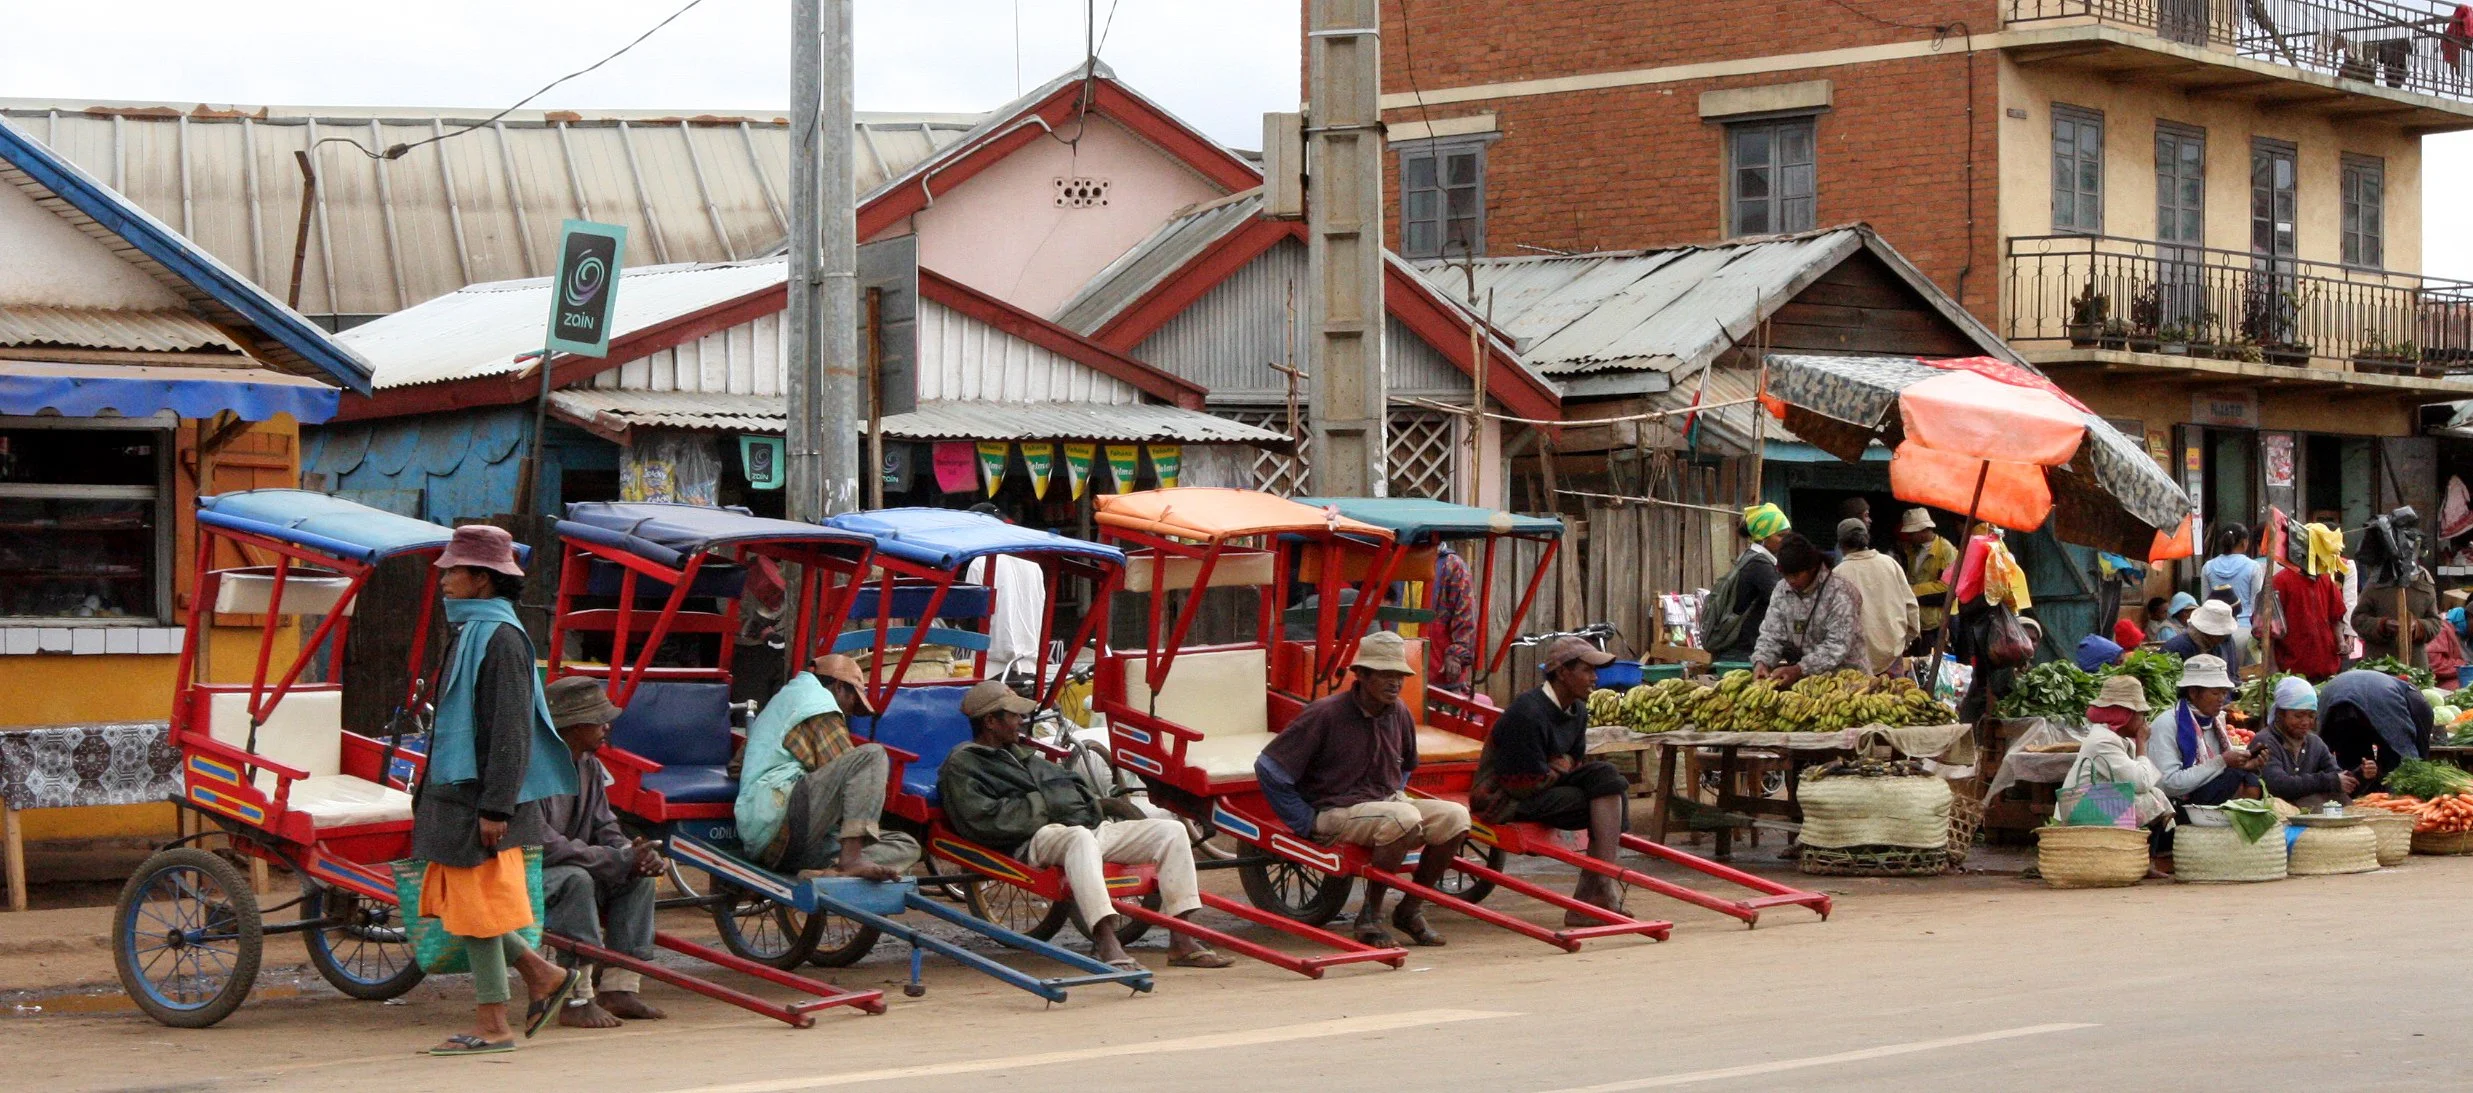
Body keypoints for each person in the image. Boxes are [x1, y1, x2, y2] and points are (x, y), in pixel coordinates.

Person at [411, 525, 583, 1056]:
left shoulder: (502, 640)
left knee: (476, 912)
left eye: (453, 570)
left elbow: (512, 731)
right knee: (464, 907)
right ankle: (544, 976)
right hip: (457, 796)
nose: (443, 578)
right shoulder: (470, 633)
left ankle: (493, 1023)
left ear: (482, 580)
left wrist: (496, 807)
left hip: (480, 801)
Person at [939, 680, 1232, 970]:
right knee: (1080, 838)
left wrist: (1086, 804)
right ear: (990, 721)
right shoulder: (963, 765)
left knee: (1171, 831)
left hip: (1082, 829)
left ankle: (1181, 941)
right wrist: (1045, 804)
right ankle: (1105, 939)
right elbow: (983, 819)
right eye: (1013, 715)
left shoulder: (1021, 754)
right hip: (1035, 838)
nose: (1020, 721)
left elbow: (1069, 788)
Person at [1257, 631, 1472, 948]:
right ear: (1362, 675)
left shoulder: (1399, 713)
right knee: (1402, 819)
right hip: (1336, 810)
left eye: (1399, 676)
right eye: (1386, 675)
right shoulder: (1325, 713)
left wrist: (1394, 793)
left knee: (1456, 818)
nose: (1395, 683)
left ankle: (1410, 909)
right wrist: (1303, 820)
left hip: (1387, 804)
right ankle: (1370, 916)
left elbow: (1408, 763)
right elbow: (1268, 767)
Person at [1470, 636, 1629, 919]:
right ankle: (1596, 892)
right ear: (1563, 673)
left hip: (1543, 787)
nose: (1595, 678)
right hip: (1506, 798)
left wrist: (1558, 765)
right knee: (1600, 800)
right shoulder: (1528, 712)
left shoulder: (1578, 710)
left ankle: (1593, 892)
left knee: (1608, 780)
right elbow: (1521, 785)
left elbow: (1575, 758)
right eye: (1587, 670)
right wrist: (1558, 767)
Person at [538, 677, 666, 1028]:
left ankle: (620, 989)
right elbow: (545, 844)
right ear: (575, 726)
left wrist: (631, 853)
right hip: (527, 871)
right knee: (576, 880)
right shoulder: (531, 770)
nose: (607, 726)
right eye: (600, 720)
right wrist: (615, 859)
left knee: (637, 880)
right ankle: (576, 999)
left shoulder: (590, 766)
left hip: (571, 865)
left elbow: (605, 825)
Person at [735, 654, 922, 881]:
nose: (851, 710)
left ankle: (832, 871)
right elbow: (849, 786)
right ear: (840, 687)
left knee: (907, 845)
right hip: (781, 822)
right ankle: (850, 860)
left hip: (766, 839)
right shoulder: (820, 705)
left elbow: (736, 767)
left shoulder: (782, 702)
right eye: (853, 699)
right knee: (872, 756)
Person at [2058, 675, 2173, 874]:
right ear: (2126, 715)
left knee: (2156, 795)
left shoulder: (2115, 737)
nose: (2144, 722)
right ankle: (2145, 861)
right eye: (2140, 715)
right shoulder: (2104, 741)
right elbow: (2141, 782)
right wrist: (2142, 744)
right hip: (2081, 807)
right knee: (2151, 798)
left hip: (2099, 801)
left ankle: (2146, 861)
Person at [2144, 654, 2263, 809]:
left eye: (2224, 693)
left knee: (2250, 780)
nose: (2222, 699)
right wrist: (2222, 762)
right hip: (2177, 805)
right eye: (2215, 693)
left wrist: (2245, 764)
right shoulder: (2167, 724)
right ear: (2193, 692)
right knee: (2235, 777)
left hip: (2207, 796)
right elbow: (2167, 784)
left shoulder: (2215, 722)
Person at [1751, 533, 1865, 684]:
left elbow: (1837, 645)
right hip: (1805, 685)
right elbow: (1772, 633)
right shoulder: (1782, 590)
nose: (1790, 581)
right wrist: (1762, 661)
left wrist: (1799, 669)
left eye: (1796, 575)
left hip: (1847, 682)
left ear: (1811, 568)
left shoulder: (1841, 592)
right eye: (1785, 575)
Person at [2255, 677, 2368, 812]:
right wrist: (2329, 781)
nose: (2305, 722)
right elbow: (2278, 785)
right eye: (2298, 716)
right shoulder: (2265, 741)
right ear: (2280, 714)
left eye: (2311, 716)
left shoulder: (2315, 743)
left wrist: (2360, 775)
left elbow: (2335, 776)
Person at [966, 502, 1048, 680]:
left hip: (991, 669)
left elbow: (971, 620)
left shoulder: (980, 564)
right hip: (1030, 669)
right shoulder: (1034, 567)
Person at [1701, 504, 1791, 660]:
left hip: (1742, 650)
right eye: (1781, 535)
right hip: (1742, 653)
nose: (1787, 541)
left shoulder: (1753, 559)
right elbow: (1785, 604)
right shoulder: (1759, 565)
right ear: (1763, 537)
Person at [1831, 517, 1918, 674]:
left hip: (1854, 664)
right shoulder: (1890, 564)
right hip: (1892, 655)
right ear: (1866, 539)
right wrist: (1905, 642)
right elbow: (1911, 606)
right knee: (1895, 698)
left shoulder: (1837, 575)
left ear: (1841, 545)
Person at [2318, 669, 2430, 788]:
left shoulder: (2402, 692)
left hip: (2332, 691)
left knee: (2349, 756)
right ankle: (2393, 794)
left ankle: (2352, 790)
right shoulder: (2419, 704)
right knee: (2403, 757)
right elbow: (2410, 752)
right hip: (2378, 696)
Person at [2353, 562, 2443, 670]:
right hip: (2378, 664)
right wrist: (2382, 625)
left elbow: (2435, 622)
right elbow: (2357, 619)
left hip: (2415, 665)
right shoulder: (2375, 583)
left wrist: (2417, 627)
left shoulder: (2424, 583)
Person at [2271, 555, 2347, 682]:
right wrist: (2272, 669)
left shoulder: (2325, 579)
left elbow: (2336, 617)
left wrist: (2341, 642)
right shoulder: (2279, 581)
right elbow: (2268, 631)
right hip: (2294, 672)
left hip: (2328, 667)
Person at [1899, 508, 1958, 640]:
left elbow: (1949, 588)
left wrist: (1911, 591)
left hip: (1940, 623)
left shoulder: (1945, 550)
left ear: (1923, 530)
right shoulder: (1912, 551)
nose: (1908, 537)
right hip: (1920, 622)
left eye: (1911, 533)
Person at [2200, 523, 2261, 643]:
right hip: (2245, 628)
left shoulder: (2208, 567)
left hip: (2215, 630)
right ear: (2244, 543)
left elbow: (2205, 601)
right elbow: (2257, 601)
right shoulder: (2253, 566)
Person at [1428, 542, 1477, 688]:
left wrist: (1456, 655)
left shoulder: (1452, 565)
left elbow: (1466, 615)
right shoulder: (1395, 557)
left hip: (1440, 671)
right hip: (1396, 665)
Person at [2162, 599, 2245, 678]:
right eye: (2220, 635)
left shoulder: (2219, 643)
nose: (2223, 638)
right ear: (2207, 632)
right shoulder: (2179, 648)